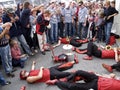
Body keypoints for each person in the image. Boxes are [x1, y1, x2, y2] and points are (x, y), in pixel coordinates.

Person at [46, 70, 120, 90]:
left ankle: (56, 82)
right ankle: (66, 79)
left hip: (97, 87)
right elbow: (111, 76)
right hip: (98, 78)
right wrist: (97, 74)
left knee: (74, 86)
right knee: (79, 72)